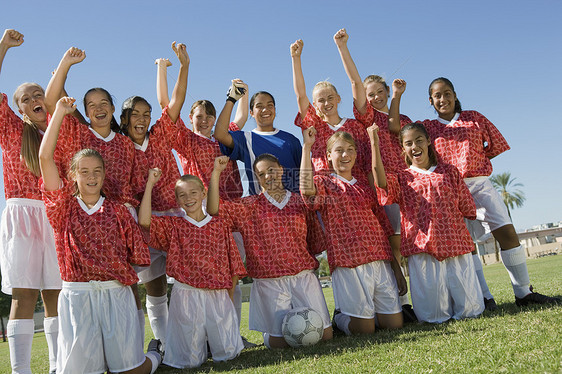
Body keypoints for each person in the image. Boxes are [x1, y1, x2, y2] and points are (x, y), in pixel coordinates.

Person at [394, 77, 560, 307]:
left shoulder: (474, 118)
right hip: (448, 189)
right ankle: (484, 296)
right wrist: (397, 95)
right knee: (466, 244)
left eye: (447, 93)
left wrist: (475, 162)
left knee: (507, 233)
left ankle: (523, 293)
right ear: (430, 101)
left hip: (480, 185)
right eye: (437, 96)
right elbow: (398, 129)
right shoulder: (428, 127)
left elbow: (495, 146)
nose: (443, 99)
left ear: (454, 95)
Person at [38, 96, 162, 374]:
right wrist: (58, 112)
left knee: (129, 372)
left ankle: (154, 355)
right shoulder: (62, 208)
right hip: (78, 297)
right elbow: (45, 157)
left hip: (114, 295)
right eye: (84, 172)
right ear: (73, 176)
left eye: (97, 171)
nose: (91, 177)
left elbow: (137, 259)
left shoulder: (118, 212)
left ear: (105, 175)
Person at [208, 154, 333, 348]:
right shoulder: (249, 206)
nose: (268, 176)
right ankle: (270, 334)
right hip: (270, 281)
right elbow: (214, 210)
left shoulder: (300, 202)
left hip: (302, 277)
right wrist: (216, 173)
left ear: (281, 169)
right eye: (261, 174)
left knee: (325, 336)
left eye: (272, 170)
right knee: (279, 345)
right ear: (257, 178)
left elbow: (314, 241)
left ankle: (339, 318)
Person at [370, 122, 484, 323]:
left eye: (419, 140)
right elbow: (380, 182)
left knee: (470, 310)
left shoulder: (449, 171)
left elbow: (466, 206)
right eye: (408, 143)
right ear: (403, 148)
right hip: (423, 248)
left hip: (455, 243)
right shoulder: (402, 177)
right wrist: (374, 142)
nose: (415, 146)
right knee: (434, 315)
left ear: (428, 141)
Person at [138, 165, 246, 369]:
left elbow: (233, 266)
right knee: (188, 362)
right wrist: (150, 185)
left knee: (228, 355)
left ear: (204, 193)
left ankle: (211, 344)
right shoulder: (174, 226)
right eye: (182, 195)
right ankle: (160, 349)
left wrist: (229, 300)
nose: (189, 198)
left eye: (193, 192)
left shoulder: (219, 225)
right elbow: (144, 222)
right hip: (186, 296)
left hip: (218, 295)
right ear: (177, 200)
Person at [300, 127, 405, 335]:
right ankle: (340, 316)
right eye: (339, 150)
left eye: (350, 150)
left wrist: (396, 268)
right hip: (349, 262)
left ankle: (368, 312)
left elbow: (384, 228)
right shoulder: (325, 183)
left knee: (395, 325)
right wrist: (307, 147)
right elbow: (305, 189)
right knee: (364, 331)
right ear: (329, 156)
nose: (345, 155)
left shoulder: (365, 188)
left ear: (356, 154)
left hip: (379, 259)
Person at [119, 41, 189, 349]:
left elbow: (175, 100)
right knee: (154, 287)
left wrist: (183, 66)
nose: (143, 119)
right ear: (125, 118)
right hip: (144, 223)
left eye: (147, 114)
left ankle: (192, 338)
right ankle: (164, 343)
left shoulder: (160, 134)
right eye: (136, 113)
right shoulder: (119, 146)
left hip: (174, 216)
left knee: (187, 281)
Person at [0, 28, 62, 374]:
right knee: (24, 295)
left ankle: (57, 366)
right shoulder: (11, 129)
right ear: (19, 107)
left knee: (54, 292)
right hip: (22, 214)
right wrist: (4, 46)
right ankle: (21, 370)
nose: (36, 98)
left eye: (40, 93)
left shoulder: (59, 130)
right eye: (27, 97)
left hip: (53, 215)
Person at [290, 30, 371, 183]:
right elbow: (301, 95)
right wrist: (296, 58)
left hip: (357, 192)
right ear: (315, 105)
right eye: (321, 100)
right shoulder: (315, 127)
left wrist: (342, 46)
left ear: (338, 98)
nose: (327, 103)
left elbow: (356, 83)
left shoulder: (355, 126)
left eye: (330, 98)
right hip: (326, 192)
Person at [214, 83, 302, 195]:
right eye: (259, 106)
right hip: (261, 209)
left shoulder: (291, 140)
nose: (265, 109)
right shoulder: (245, 139)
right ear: (251, 113)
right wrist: (231, 99)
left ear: (275, 109)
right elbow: (220, 134)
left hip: (293, 208)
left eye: (270, 105)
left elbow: (303, 174)